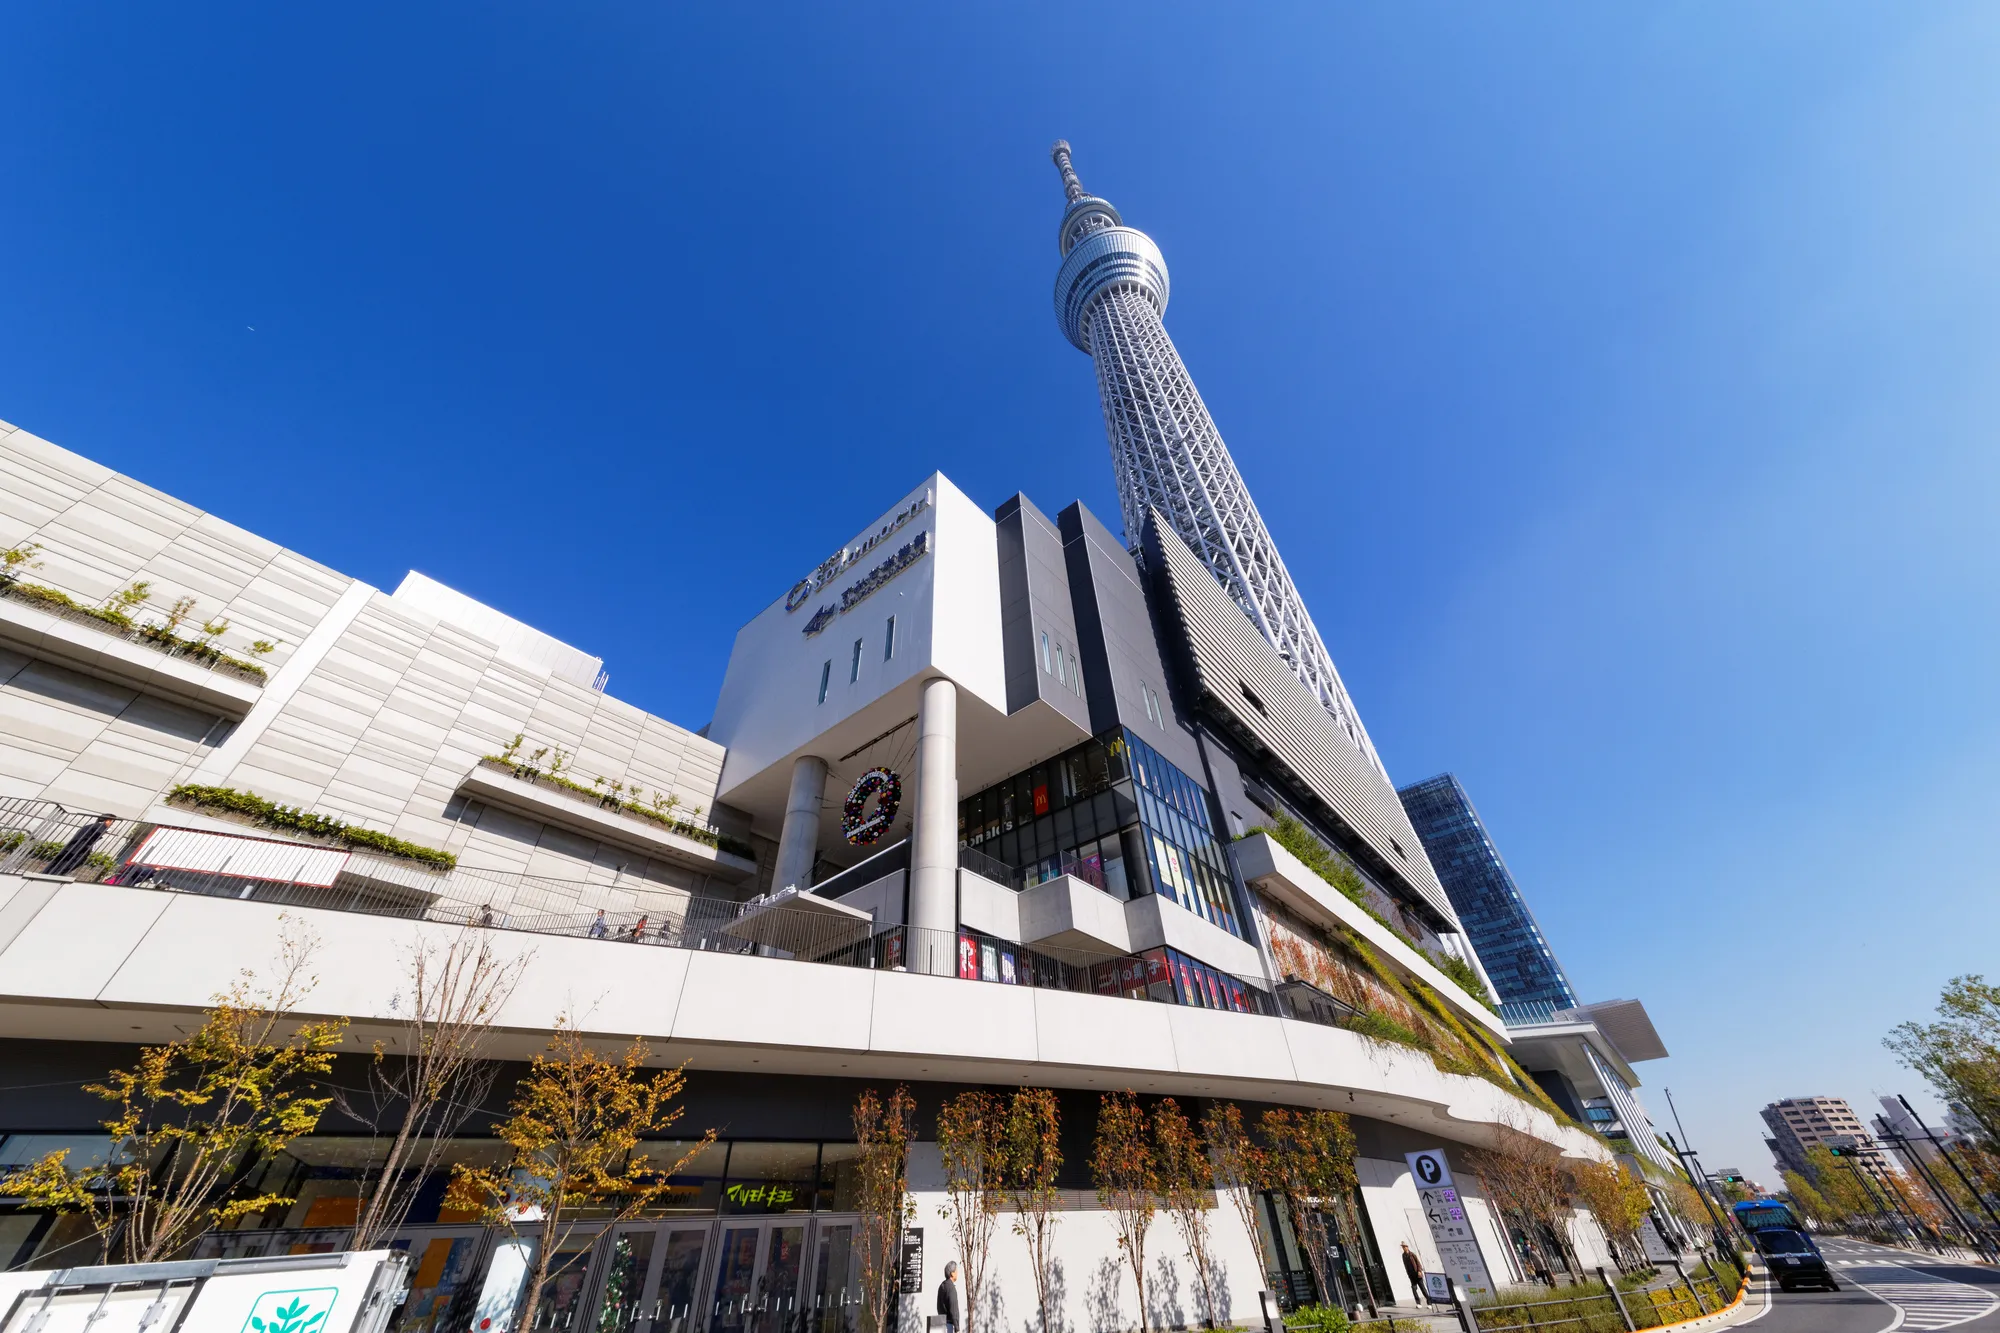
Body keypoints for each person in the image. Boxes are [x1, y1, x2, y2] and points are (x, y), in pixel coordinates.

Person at [45, 814, 114, 876]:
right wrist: (106, 830)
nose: (111, 824)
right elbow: (98, 833)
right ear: (108, 820)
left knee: (58, 864)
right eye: (112, 822)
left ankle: (48, 874)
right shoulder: (100, 826)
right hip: (79, 850)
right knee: (68, 865)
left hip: (73, 848)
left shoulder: (90, 826)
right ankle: (54, 875)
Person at [936, 1260, 961, 1333]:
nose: (957, 1273)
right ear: (952, 1273)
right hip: (950, 1326)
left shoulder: (942, 1286)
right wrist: (957, 1328)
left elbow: (938, 1306)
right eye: (956, 1271)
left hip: (942, 1323)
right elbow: (953, 1309)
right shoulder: (951, 1288)